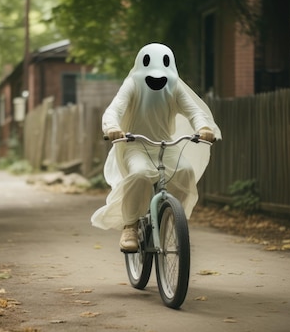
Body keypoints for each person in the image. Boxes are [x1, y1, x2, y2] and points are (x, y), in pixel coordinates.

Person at [91, 43, 222, 252]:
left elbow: (194, 112)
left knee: (185, 171)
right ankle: (131, 226)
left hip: (165, 144)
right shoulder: (133, 83)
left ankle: (170, 217)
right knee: (140, 174)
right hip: (134, 145)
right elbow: (114, 110)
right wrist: (113, 127)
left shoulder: (174, 85)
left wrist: (203, 127)